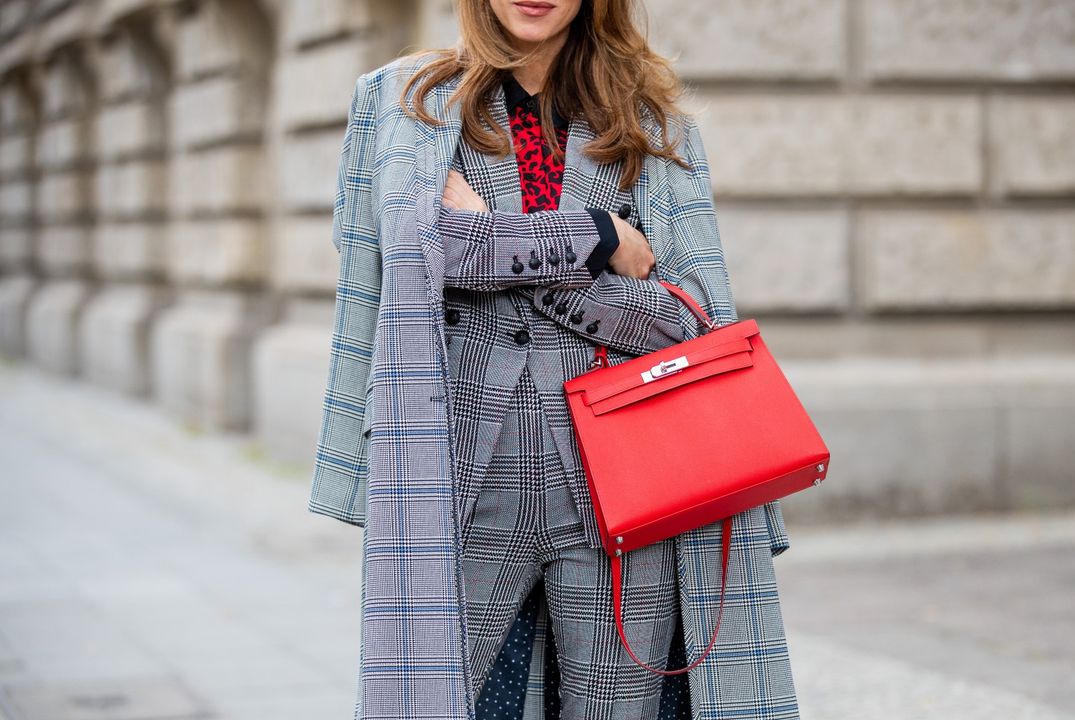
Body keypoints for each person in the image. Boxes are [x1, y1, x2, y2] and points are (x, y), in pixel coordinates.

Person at [311, 0, 798, 717]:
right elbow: (417, 253)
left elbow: (689, 321)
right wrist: (596, 237)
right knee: (424, 703)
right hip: (458, 472)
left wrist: (494, 241)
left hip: (624, 487)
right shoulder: (404, 104)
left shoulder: (652, 125)